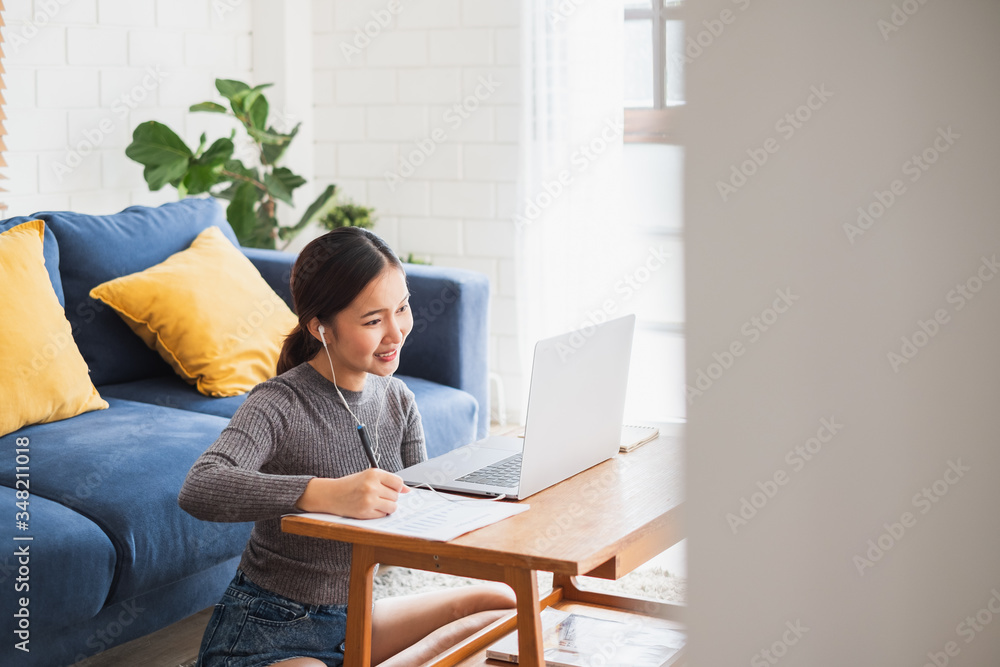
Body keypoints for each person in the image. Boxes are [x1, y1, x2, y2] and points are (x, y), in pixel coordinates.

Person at [178, 227, 515, 667]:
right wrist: (323, 493)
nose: (396, 333)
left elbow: (422, 514)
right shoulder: (279, 402)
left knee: (500, 603)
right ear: (321, 328)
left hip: (350, 617)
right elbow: (200, 488)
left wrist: (491, 496)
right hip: (268, 629)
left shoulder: (398, 400)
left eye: (402, 308)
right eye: (374, 321)